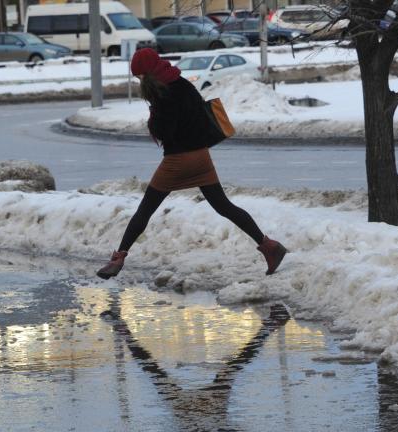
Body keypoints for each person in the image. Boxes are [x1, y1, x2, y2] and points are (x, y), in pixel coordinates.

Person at [97, 48, 286, 280]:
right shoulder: (183, 84)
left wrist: (153, 118)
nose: (138, 80)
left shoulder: (162, 94)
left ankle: (119, 257)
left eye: (139, 76)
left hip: (177, 161)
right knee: (224, 206)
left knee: (145, 209)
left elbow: (164, 131)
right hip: (201, 157)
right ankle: (269, 246)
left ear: (147, 73)